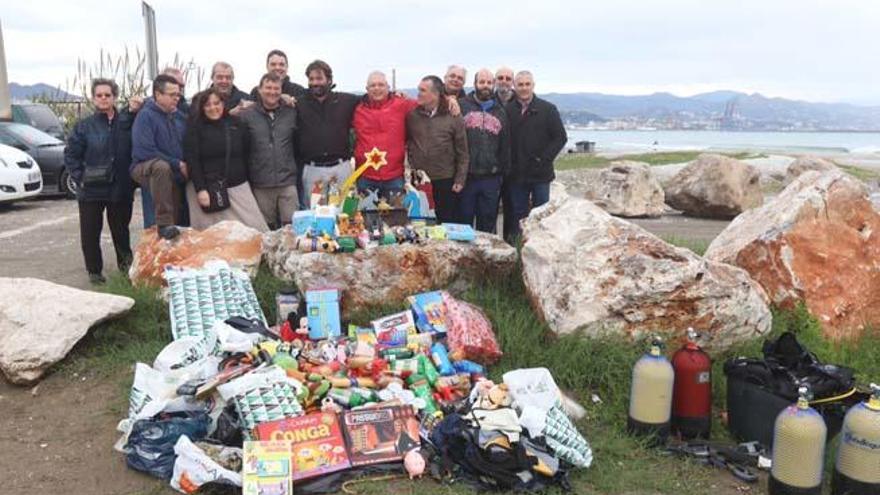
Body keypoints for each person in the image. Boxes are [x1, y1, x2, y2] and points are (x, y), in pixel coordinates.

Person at [64, 78, 140, 284]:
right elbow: (71, 156)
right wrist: (81, 178)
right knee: (90, 234)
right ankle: (94, 272)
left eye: (108, 95)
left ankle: (126, 271)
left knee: (121, 233)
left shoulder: (126, 122)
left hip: (120, 188)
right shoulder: (84, 126)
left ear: (114, 97)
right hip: (91, 190)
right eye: (99, 95)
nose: (104, 98)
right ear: (93, 98)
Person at [183, 88, 268, 232]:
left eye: (216, 103)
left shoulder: (236, 124)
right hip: (208, 189)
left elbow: (247, 152)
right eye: (208, 105)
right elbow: (192, 160)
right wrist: (201, 190)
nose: (213, 108)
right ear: (202, 107)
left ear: (223, 103)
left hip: (237, 186)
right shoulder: (195, 128)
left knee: (256, 229)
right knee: (211, 237)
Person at [505, 70, 567, 242]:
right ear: (514, 87)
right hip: (517, 175)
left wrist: (543, 159)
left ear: (533, 85)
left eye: (527, 84)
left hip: (541, 174)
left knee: (541, 214)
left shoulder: (548, 109)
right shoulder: (508, 110)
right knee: (518, 215)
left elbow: (560, 137)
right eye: (520, 85)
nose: (524, 88)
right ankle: (519, 250)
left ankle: (541, 247)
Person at [131, 74, 188, 240]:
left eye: (178, 95)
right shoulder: (145, 116)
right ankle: (163, 224)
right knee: (161, 167)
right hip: (145, 167)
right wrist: (178, 164)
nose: (176, 98)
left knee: (177, 220)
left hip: (172, 171)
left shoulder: (178, 117)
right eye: (172, 95)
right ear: (157, 94)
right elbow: (145, 151)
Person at [405, 75, 469, 224]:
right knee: (420, 223)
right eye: (418, 89)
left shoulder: (453, 116)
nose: (418, 93)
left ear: (435, 94)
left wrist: (460, 179)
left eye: (423, 90)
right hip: (419, 181)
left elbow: (463, 151)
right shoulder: (412, 116)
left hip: (445, 180)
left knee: (445, 223)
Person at [296, 60, 359, 208]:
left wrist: (394, 94)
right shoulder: (299, 104)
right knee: (315, 212)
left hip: (341, 168)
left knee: (346, 211)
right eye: (311, 79)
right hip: (313, 170)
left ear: (329, 80)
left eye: (319, 78)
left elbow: (371, 99)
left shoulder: (346, 101)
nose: (314, 83)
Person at [239, 73, 299, 228]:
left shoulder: (291, 112)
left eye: (276, 88)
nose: (272, 92)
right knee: (265, 229)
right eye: (268, 88)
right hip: (261, 182)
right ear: (259, 90)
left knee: (292, 228)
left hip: (287, 182)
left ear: (281, 90)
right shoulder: (247, 115)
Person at [351, 71, 418, 199]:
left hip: (394, 177)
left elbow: (428, 103)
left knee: (396, 217)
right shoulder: (356, 109)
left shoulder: (402, 104)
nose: (377, 88)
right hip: (366, 177)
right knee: (365, 218)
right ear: (366, 89)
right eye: (373, 85)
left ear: (388, 87)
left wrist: (450, 99)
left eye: (381, 85)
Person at [458, 69, 510, 233]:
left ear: (493, 85)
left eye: (489, 82)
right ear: (475, 84)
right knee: (464, 221)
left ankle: (486, 258)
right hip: (467, 177)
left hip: (491, 177)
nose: (485, 86)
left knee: (487, 223)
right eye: (482, 82)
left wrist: (503, 172)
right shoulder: (461, 106)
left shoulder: (501, 111)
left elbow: (505, 145)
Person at [494, 66, 516, 239]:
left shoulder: (521, 103)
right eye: (500, 77)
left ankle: (510, 247)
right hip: (491, 168)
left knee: (512, 210)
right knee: (489, 211)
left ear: (513, 82)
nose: (504, 81)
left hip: (514, 168)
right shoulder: (487, 101)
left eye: (508, 78)